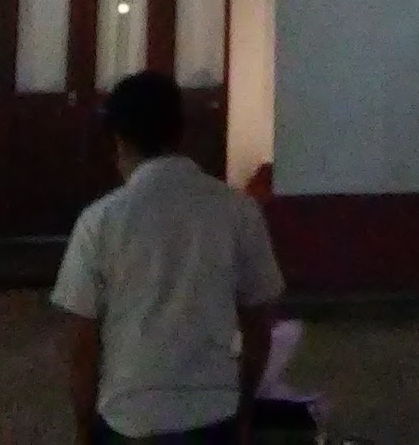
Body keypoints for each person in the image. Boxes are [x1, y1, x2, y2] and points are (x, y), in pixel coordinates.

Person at [53, 70, 284, 445]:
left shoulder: (101, 221)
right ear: (181, 134)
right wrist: (243, 407)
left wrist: (83, 426)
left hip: (128, 417)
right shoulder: (237, 212)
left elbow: (82, 341)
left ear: (118, 140)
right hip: (213, 414)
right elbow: (260, 324)